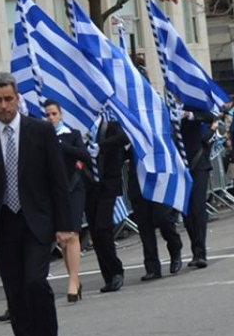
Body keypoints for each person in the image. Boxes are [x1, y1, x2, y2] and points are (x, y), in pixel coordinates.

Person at [0, 73, 73, 336]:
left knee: (35, 283)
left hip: (37, 223)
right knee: (15, 294)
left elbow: (58, 182)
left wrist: (65, 225)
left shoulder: (39, 132)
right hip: (4, 226)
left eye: (9, 99)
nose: (4, 106)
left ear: (17, 98)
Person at [44, 100, 88, 303]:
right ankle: (75, 280)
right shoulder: (43, 137)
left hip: (73, 189)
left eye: (54, 114)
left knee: (72, 234)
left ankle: (72, 281)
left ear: (60, 114)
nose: (51, 118)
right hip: (54, 192)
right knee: (62, 238)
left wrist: (60, 145)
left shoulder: (72, 134)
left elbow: (83, 155)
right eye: (47, 115)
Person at [126, 149, 184, 281]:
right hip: (138, 180)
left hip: (159, 178)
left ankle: (175, 246)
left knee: (163, 218)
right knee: (144, 226)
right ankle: (152, 267)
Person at [85, 114, 127, 293]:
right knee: (95, 230)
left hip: (108, 184)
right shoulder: (80, 130)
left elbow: (123, 137)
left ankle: (117, 271)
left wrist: (100, 147)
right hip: (89, 186)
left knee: (103, 228)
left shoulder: (110, 126)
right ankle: (108, 276)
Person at [175, 103, 217, 269]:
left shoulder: (191, 106)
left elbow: (209, 116)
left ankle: (200, 253)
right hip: (180, 167)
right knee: (188, 212)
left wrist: (189, 115)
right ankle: (195, 248)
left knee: (198, 207)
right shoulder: (168, 110)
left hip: (197, 163)